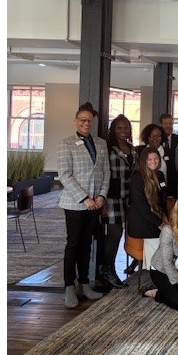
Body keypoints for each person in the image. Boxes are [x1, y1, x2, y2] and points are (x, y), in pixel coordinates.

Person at [57, 102, 109, 308]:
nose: (86, 123)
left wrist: (101, 196)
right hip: (75, 203)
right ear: (75, 122)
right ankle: (69, 287)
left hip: (95, 204)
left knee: (87, 245)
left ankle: (85, 284)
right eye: (82, 120)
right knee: (74, 244)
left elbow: (106, 172)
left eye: (89, 120)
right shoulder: (66, 143)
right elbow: (64, 175)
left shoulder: (101, 143)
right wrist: (84, 198)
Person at [101, 114, 137, 289]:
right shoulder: (108, 149)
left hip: (129, 197)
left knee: (124, 233)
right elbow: (102, 174)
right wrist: (103, 200)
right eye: (119, 128)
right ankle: (107, 269)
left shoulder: (132, 149)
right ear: (113, 130)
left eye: (126, 127)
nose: (123, 131)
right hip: (112, 197)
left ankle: (119, 267)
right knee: (114, 234)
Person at [128, 147, 168, 272]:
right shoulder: (138, 178)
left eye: (156, 158)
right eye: (149, 159)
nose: (153, 161)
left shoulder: (160, 175)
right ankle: (155, 273)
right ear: (144, 161)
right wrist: (160, 223)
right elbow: (141, 207)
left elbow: (162, 202)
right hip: (142, 222)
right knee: (162, 243)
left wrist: (165, 219)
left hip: (156, 218)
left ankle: (154, 272)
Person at [160, 113, 178, 200]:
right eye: (165, 123)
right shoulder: (156, 140)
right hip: (160, 179)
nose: (168, 126)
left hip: (175, 181)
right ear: (161, 125)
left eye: (170, 123)